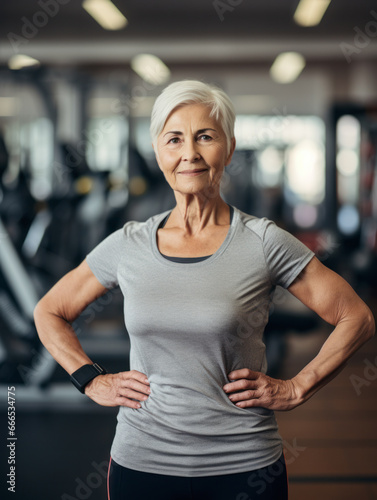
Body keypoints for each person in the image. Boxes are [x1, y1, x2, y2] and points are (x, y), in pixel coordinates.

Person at [34, 80, 375, 500]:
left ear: (228, 149)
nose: (189, 153)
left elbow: (355, 316)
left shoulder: (263, 240)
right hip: (143, 461)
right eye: (174, 139)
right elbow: (49, 310)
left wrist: (297, 386)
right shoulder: (129, 243)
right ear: (159, 151)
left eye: (205, 137)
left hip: (244, 464)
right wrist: (89, 379)